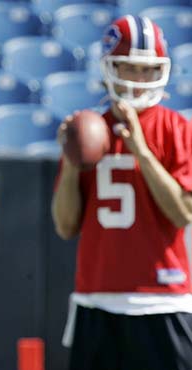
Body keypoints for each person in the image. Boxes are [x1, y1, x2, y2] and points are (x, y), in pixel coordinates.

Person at [52, 15, 192, 370]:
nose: (140, 79)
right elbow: (66, 226)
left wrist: (141, 151)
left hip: (162, 299)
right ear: (109, 68)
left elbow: (182, 214)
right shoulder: (89, 131)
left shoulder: (177, 129)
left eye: (147, 69)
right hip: (96, 298)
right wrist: (71, 164)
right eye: (129, 68)